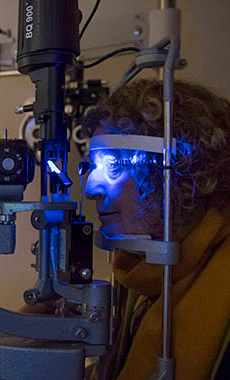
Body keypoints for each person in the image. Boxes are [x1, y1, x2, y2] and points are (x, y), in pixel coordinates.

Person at [82, 79, 230, 379]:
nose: (91, 189)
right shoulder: (138, 275)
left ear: (179, 168)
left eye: (112, 165)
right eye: (90, 168)